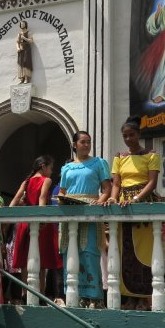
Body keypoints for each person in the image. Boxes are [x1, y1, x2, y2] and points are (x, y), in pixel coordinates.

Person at [106, 119, 162, 310]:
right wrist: (113, 198)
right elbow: (116, 184)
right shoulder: (119, 157)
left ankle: (144, 298)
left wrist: (137, 198)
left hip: (143, 202)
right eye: (125, 136)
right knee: (125, 251)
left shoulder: (151, 155)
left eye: (131, 134)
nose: (128, 138)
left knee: (144, 251)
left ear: (139, 134)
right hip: (123, 204)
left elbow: (152, 183)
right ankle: (129, 297)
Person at [58, 131, 111, 308]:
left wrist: (99, 203)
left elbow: (107, 189)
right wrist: (60, 199)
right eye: (82, 142)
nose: (86, 145)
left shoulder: (98, 163)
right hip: (70, 211)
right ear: (74, 145)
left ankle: (94, 297)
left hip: (90, 208)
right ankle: (76, 295)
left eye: (89, 142)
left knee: (89, 251)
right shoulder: (66, 168)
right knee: (70, 251)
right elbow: (63, 191)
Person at [10, 155, 60, 297]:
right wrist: (42, 218)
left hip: (25, 223)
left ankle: (25, 293)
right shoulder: (46, 180)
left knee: (26, 261)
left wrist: (7, 213)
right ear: (43, 166)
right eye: (50, 168)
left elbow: (15, 199)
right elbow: (42, 198)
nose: (51, 172)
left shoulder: (26, 181)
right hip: (40, 222)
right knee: (41, 263)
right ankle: (41, 295)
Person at [16, 20, 33, 84]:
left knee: (26, 63)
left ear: (25, 25)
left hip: (27, 50)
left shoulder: (28, 33)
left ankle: (26, 78)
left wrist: (24, 38)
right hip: (21, 50)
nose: (22, 25)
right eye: (21, 24)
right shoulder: (19, 34)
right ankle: (21, 78)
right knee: (20, 63)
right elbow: (17, 42)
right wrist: (17, 48)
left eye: (23, 24)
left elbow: (31, 41)